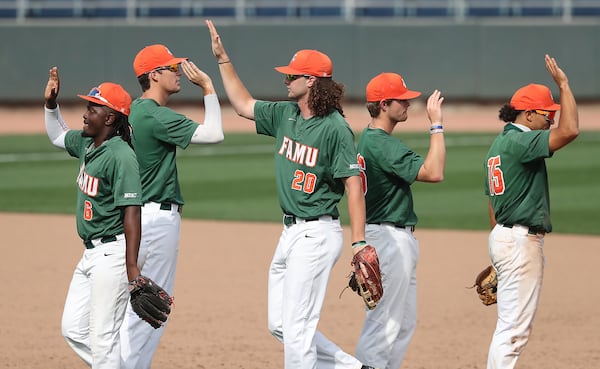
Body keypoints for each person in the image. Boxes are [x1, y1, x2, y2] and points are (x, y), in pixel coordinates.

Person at [206, 19, 375, 369]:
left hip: (317, 233)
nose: (285, 80)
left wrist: (358, 241)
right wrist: (223, 60)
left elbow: (353, 185)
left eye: (291, 76)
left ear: (311, 81)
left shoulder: (335, 129)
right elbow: (242, 104)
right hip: (290, 234)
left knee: (297, 330)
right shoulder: (285, 114)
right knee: (281, 325)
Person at [119, 44, 224, 369]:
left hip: (129, 219)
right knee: (150, 310)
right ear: (153, 75)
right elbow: (214, 133)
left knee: (126, 306)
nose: (178, 73)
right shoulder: (156, 114)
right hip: (157, 221)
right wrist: (208, 88)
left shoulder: (131, 112)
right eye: (171, 68)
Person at [44, 67, 143, 369]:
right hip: (90, 254)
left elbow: (132, 212)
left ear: (110, 117)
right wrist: (51, 104)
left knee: (102, 340)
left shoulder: (121, 156)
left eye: (93, 107)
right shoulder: (89, 143)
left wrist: (132, 269)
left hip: (112, 256)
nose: (86, 113)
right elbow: (58, 135)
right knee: (74, 328)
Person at [484, 54, 578, 369]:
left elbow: (491, 202)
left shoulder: (500, 143)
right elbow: (570, 131)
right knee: (513, 332)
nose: (551, 118)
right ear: (528, 114)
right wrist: (563, 85)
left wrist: (500, 249)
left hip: (506, 237)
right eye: (546, 113)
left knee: (509, 327)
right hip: (520, 242)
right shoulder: (520, 142)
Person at [355, 72, 446, 369]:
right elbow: (434, 172)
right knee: (385, 322)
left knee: (403, 323)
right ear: (383, 104)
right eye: (402, 100)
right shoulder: (380, 143)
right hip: (388, 239)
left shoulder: (371, 138)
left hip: (386, 235)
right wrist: (436, 124)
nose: (408, 103)